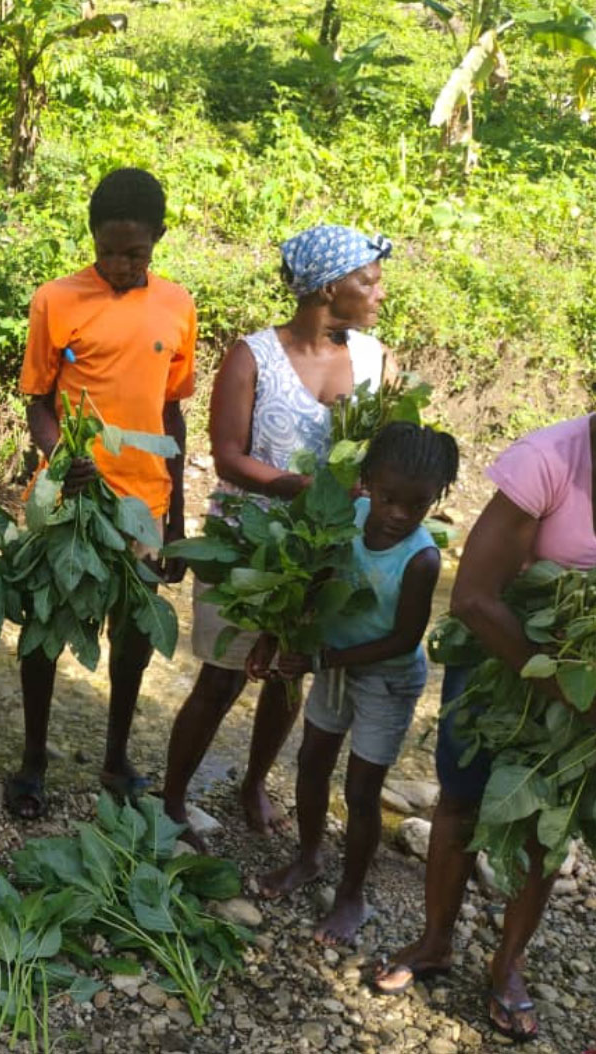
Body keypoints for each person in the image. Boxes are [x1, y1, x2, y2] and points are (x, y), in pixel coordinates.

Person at [163, 223, 393, 840]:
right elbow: (230, 454)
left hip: (324, 547)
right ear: (324, 290)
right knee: (222, 676)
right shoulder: (253, 356)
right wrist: (299, 488)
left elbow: (385, 454)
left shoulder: (375, 360)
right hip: (249, 543)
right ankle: (173, 799)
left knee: (289, 674)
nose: (378, 293)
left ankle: (253, 783)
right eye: (366, 281)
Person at [374, 413, 596, 1043]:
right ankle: (434, 941)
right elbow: (472, 597)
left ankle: (507, 967)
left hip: (577, 684)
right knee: (464, 799)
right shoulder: (548, 460)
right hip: (503, 656)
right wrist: (569, 692)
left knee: (545, 822)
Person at [7, 167, 195, 820]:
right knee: (44, 634)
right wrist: (62, 458)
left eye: (133, 253)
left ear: (158, 240)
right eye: (106, 250)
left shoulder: (177, 306)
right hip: (68, 502)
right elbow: (37, 403)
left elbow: (172, 413)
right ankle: (33, 760)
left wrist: (176, 520)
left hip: (143, 502)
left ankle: (116, 759)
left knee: (134, 636)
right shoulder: (55, 300)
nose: (117, 264)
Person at [252, 422, 458, 944]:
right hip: (333, 662)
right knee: (311, 761)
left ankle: (351, 895)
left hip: (384, 681)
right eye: (388, 498)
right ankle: (308, 857)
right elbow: (313, 580)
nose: (398, 515)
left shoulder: (421, 559)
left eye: (417, 505)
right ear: (367, 482)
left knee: (362, 792)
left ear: (435, 501)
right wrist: (273, 637)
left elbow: (402, 639)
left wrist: (323, 659)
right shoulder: (344, 517)